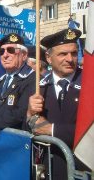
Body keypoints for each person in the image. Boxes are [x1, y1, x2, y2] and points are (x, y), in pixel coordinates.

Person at [26, 28, 89, 180]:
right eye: (63, 54)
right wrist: (29, 113)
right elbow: (27, 128)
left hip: (79, 169)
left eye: (74, 53)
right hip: (47, 168)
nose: (70, 59)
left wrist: (52, 130)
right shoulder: (38, 86)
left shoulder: (89, 84)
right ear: (48, 57)